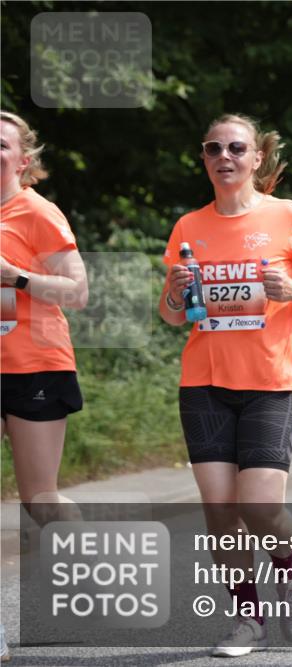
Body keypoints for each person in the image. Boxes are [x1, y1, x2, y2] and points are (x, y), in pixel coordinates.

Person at [159, 114, 292, 657]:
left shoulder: (289, 216)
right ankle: (247, 619)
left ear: (256, 157)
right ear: (205, 157)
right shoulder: (189, 226)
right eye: (213, 148)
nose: (224, 156)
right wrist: (173, 290)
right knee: (219, 507)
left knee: (259, 508)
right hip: (205, 381)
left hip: (270, 381)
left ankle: (289, 571)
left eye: (236, 147)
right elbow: (172, 317)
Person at [1, 110, 89, 663]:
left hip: (34, 364)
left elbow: (77, 291)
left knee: (39, 500)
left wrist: (19, 278)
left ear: (23, 158)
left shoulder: (36, 212)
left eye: (0, 145)